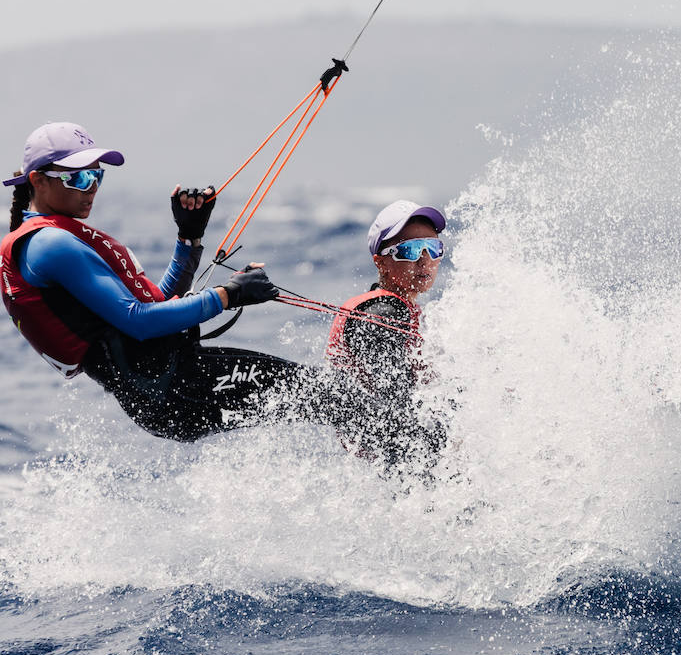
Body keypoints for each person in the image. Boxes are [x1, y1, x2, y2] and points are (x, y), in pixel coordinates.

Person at [2, 121, 404, 450]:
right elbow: (140, 321)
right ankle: (423, 469)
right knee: (331, 399)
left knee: (329, 402)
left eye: (97, 176)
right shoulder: (50, 245)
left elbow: (158, 301)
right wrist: (229, 295)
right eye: (79, 177)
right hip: (174, 387)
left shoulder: (55, 238)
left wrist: (189, 238)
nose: (90, 187)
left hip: (168, 390)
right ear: (38, 180)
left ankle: (405, 473)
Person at [327, 200, 448, 458]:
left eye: (433, 248)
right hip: (398, 460)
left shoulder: (398, 308)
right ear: (380, 262)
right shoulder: (383, 312)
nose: (424, 260)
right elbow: (396, 402)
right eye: (410, 250)